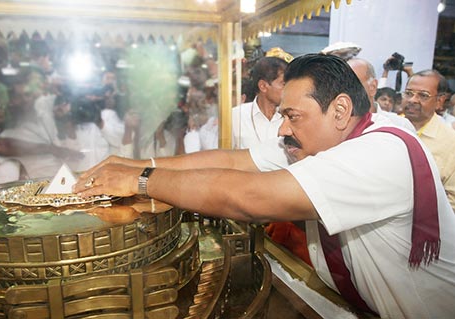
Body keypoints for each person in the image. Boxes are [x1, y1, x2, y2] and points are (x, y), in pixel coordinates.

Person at [74, 54, 455, 318]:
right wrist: (134, 164)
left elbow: (249, 198)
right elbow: (232, 161)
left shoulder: (379, 152)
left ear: (339, 111)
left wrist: (142, 181)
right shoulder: (318, 144)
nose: (283, 128)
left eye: (293, 116)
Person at [402, 69, 455, 211]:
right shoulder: (388, 126)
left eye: (423, 95)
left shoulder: (450, 142)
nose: (412, 100)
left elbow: (452, 199)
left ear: (439, 101)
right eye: (408, 93)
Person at [231, 56, 287, 149]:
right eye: (283, 84)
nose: (288, 90)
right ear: (263, 86)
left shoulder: (292, 117)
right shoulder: (236, 116)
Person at [347, 58, 415, 132]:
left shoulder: (400, 125)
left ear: (372, 87)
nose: (344, 90)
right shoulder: (336, 126)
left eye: (352, 84)